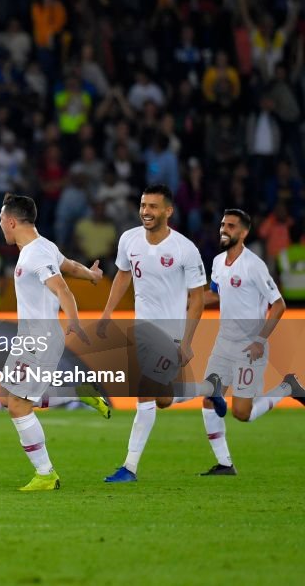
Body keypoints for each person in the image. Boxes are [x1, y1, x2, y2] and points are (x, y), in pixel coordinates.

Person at [97, 185, 214, 483]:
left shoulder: (184, 249)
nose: (146, 211)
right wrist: (108, 312)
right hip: (141, 329)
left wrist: (187, 342)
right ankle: (209, 389)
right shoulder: (129, 239)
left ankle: (129, 468)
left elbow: (198, 298)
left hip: (170, 333)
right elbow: (123, 274)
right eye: (143, 205)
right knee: (162, 400)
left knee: (144, 394)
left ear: (168, 211)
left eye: (152, 207)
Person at [0, 194, 102, 491]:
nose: (1, 226)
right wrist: (92, 274)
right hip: (29, 337)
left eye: (2, 221)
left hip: (38, 338)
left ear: (12, 221)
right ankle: (76, 393)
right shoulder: (44, 247)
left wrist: (74, 321)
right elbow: (69, 266)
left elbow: (62, 288)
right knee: (7, 395)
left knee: (18, 405)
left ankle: (46, 474)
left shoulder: (35, 255)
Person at [199, 209, 305, 475]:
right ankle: (225, 464)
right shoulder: (218, 262)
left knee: (242, 413)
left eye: (231, 226)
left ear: (244, 233)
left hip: (250, 347)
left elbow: (278, 304)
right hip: (224, 342)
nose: (224, 229)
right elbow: (216, 294)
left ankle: (287, 387)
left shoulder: (254, 265)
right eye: (223, 224)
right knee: (209, 399)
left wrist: (260, 339)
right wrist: (188, 300)